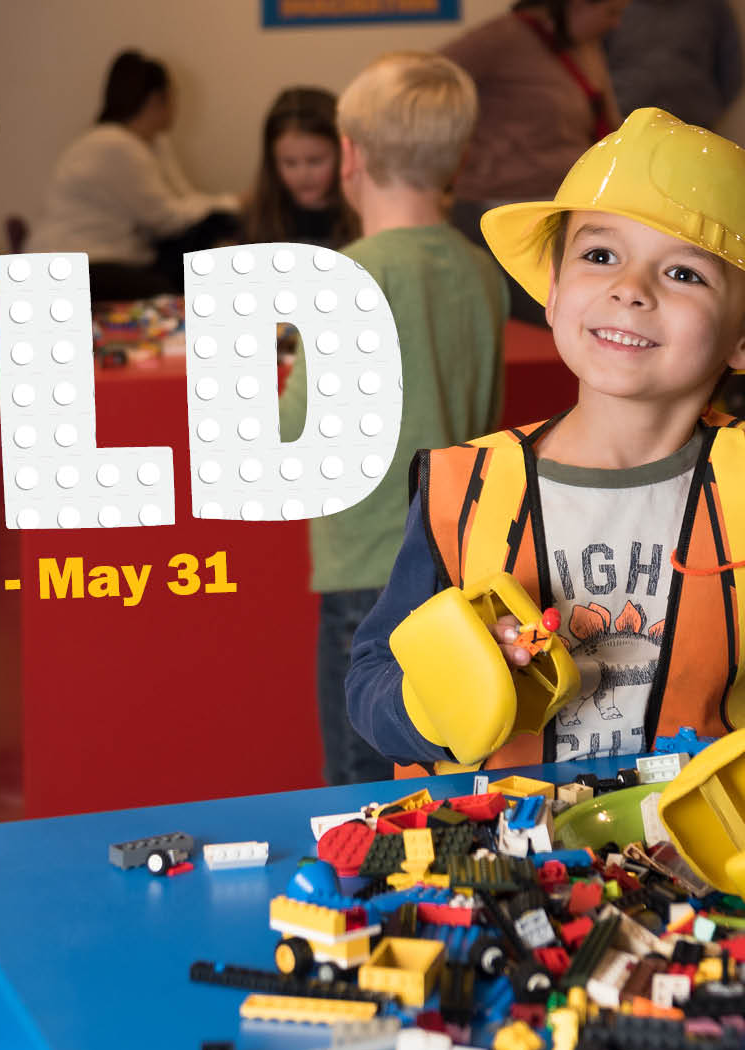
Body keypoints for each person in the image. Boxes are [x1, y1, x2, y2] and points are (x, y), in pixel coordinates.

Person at [345, 108, 745, 804]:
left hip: (706, 854)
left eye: (682, 273)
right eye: (599, 255)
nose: (631, 288)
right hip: (509, 850)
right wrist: (437, 702)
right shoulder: (462, 490)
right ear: (552, 291)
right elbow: (371, 678)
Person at [278, 52, 509, 787]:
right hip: (455, 558)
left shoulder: (348, 276)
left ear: (349, 154)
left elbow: (294, 433)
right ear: (458, 157)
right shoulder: (479, 269)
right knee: (441, 765)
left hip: (365, 570)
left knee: (361, 776)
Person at [439, 0, 630, 324]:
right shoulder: (504, 37)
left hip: (567, 200)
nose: (617, 24)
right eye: (610, 12)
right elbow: (429, 76)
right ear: (575, 6)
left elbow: (607, 119)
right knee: (553, 313)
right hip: (501, 203)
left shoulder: (584, 46)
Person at [32, 50, 240, 301]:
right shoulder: (114, 145)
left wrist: (225, 207)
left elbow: (184, 198)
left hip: (113, 258)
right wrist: (235, 203)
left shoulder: (152, 142)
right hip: (81, 264)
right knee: (180, 274)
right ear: (157, 99)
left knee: (211, 228)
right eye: (174, 96)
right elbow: (166, 218)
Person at [241, 86, 357, 249]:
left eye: (315, 161)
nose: (303, 175)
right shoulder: (258, 218)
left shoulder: (360, 215)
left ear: (342, 154)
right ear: (272, 161)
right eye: (290, 162)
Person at [605, 0, 744, 130]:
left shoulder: (712, 7)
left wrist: (706, 110)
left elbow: (731, 72)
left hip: (692, 123)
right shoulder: (613, 6)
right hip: (624, 122)